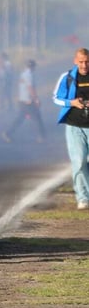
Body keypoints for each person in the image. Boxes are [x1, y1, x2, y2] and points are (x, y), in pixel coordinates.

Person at [53, 48, 89, 210]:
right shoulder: (67, 78)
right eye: (81, 62)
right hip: (74, 126)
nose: (84, 65)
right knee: (79, 162)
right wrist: (72, 103)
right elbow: (56, 98)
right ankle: (82, 197)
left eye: (87, 62)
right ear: (75, 61)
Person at [2, 60, 45, 143]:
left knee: (20, 119)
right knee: (37, 118)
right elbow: (30, 88)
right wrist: (36, 99)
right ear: (32, 67)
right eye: (34, 67)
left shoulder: (23, 74)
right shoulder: (29, 75)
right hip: (28, 101)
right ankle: (42, 137)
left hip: (22, 100)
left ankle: (7, 133)